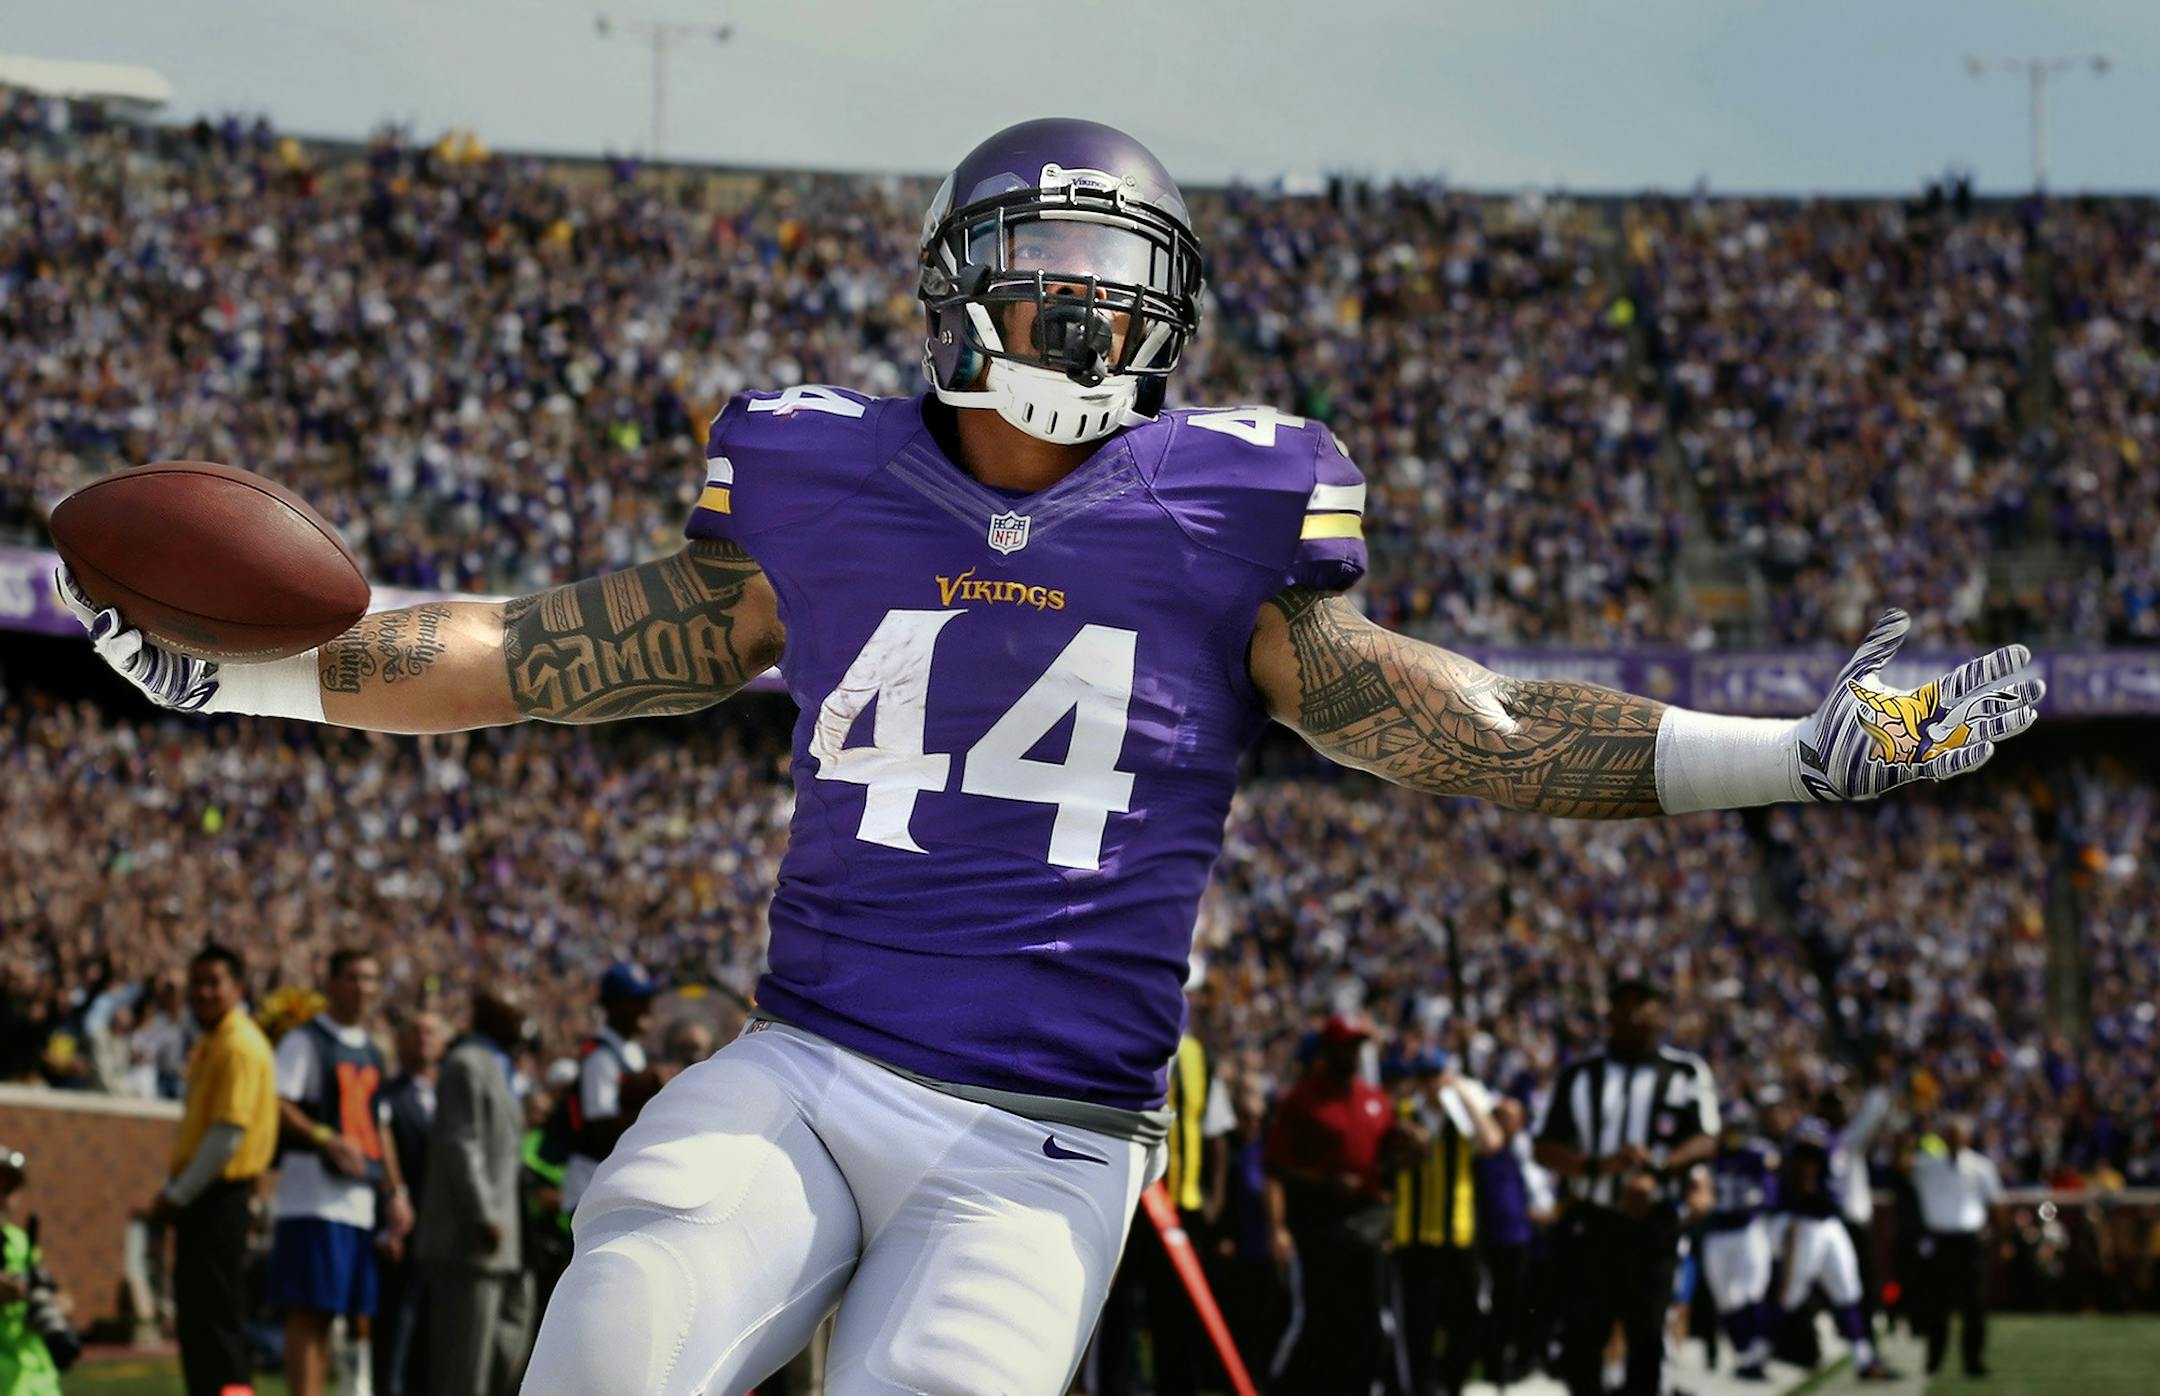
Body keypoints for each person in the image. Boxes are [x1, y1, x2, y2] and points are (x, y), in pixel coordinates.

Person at [61, 114, 2044, 1395]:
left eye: (1123, 275)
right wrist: (249, 684)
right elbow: (545, 648)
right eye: (1051, 260)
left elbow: (1477, 725)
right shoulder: (816, 467)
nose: (1086, 305)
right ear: (955, 280)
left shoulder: (1237, 505)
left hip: (1044, 1138)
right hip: (810, 1060)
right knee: (628, 1304)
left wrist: (1796, 754)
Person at [1534, 975, 1719, 1396]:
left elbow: (1706, 1139)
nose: (1634, 1013)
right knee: (1582, 1338)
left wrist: (1658, 1169)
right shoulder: (1580, 1074)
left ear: (1661, 1013)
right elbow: (1544, 1146)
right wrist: (1598, 1167)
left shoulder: (1685, 1071)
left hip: (1654, 1226)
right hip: (1592, 1222)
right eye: (1625, 1003)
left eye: (1644, 1002)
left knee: (1648, 1337)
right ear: (1610, 1014)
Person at [267, 949, 415, 1396]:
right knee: (309, 1312)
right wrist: (323, 1137)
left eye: (370, 978)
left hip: (358, 1199)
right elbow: (276, 1102)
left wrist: (396, 1191)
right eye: (352, 976)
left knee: (336, 1314)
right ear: (330, 983)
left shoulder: (372, 1050)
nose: (362, 987)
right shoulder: (304, 1040)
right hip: (311, 1197)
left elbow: (379, 1126)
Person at [152, 943, 280, 1396]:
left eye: (214, 982)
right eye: (197, 983)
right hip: (206, 1196)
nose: (203, 992)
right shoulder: (214, 1041)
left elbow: (228, 1133)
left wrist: (179, 1193)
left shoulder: (238, 1044)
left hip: (218, 1198)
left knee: (217, 1323)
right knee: (201, 1324)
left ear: (238, 988)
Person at [1264, 1014, 1402, 1394]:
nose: (1354, 1054)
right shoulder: (1301, 1101)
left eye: (1358, 1047)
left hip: (1366, 1229)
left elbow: (1388, 1162)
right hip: (1318, 1228)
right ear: (1329, 1050)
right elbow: (1275, 1167)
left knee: (1368, 1322)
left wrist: (1408, 1150)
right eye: (1347, 1047)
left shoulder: (1376, 1101)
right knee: (1319, 1323)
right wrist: (1280, 1225)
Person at [415, 990, 536, 1396]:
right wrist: (483, 1214)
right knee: (464, 1367)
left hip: (508, 1238)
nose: (521, 1020)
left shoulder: (500, 1065)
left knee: (506, 1352)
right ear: (490, 1015)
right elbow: (460, 1145)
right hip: (471, 1239)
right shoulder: (466, 1064)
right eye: (513, 1011)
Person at [1391, 1047, 1504, 1396]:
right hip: (1414, 1232)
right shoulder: (1405, 1112)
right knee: (1418, 1321)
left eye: (1436, 1076)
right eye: (1425, 1077)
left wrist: (1465, 1097)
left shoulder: (1462, 1116)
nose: (1432, 1085)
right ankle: (1422, 1386)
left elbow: (1493, 1142)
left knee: (1468, 1316)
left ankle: (1452, 1380)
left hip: (1458, 1231)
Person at [1770, 1118, 1898, 1380]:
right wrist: (1808, 1187)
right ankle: (1756, 1354)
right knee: (1790, 1296)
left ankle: (1864, 1358)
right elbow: (1802, 1164)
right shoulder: (1809, 1128)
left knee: (1848, 1291)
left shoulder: (1836, 1134)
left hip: (1829, 1222)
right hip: (1805, 1222)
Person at [376, 1010, 448, 1396]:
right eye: (415, 1031)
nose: (423, 1039)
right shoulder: (387, 1095)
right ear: (401, 1041)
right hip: (404, 1229)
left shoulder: (450, 1095)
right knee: (397, 1328)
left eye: (431, 1032)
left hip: (444, 1235)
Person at [557, 964, 658, 1216]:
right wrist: (657, 1115)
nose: (646, 1008)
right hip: (590, 1189)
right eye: (637, 1001)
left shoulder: (632, 1050)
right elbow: (600, 1128)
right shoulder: (600, 1057)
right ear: (614, 1006)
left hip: (616, 1186)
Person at [1908, 1120, 2001, 1377]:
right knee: (1936, 1304)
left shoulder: (1981, 1166)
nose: (1953, 1141)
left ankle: (1973, 1361)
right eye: (1949, 1135)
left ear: (1966, 1138)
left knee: (1975, 1304)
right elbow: (1900, 1166)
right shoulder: (1927, 1164)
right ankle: (1934, 1361)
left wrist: (1999, 1240)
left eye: (1957, 1136)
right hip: (1940, 1240)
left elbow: (1996, 1203)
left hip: (1970, 1241)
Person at [1699, 1112, 1779, 1380]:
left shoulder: (1755, 1154)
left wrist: (1761, 1191)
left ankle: (1757, 1351)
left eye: (1735, 1129)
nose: (1731, 1136)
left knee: (1752, 1293)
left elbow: (1770, 1192)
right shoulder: (1710, 1156)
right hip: (1716, 1234)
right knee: (1726, 1300)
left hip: (1747, 1230)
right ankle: (1745, 1354)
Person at [1474, 1094, 1545, 1387]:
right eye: (1499, 1115)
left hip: (1524, 1237)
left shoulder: (1525, 1150)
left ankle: (1518, 1359)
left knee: (1520, 1304)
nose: (1504, 1120)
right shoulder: (1487, 1150)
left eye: (1511, 1116)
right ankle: (1492, 1364)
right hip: (1494, 1238)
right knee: (1496, 1303)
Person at [0, 1147, 63, 1396]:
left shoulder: (21, 1241)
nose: (3, 1198)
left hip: (35, 1375)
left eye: (9, 1190)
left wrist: (53, 1305)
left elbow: (50, 1288)